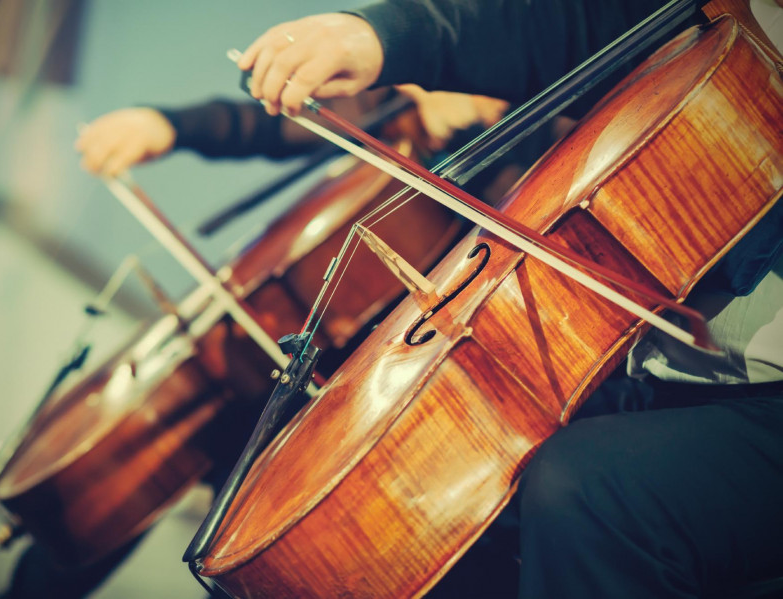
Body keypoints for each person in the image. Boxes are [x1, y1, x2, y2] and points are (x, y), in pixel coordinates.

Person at [229, 1, 783, 598]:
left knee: (584, 490)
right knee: (441, 493)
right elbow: (568, 28)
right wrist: (382, 39)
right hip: (660, 367)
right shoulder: (727, 25)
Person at [0, 84, 546, 599]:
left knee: (242, 535)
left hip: (354, 405)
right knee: (115, 493)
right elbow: (261, 125)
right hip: (262, 364)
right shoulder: (393, 111)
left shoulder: (527, 159)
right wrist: (163, 124)